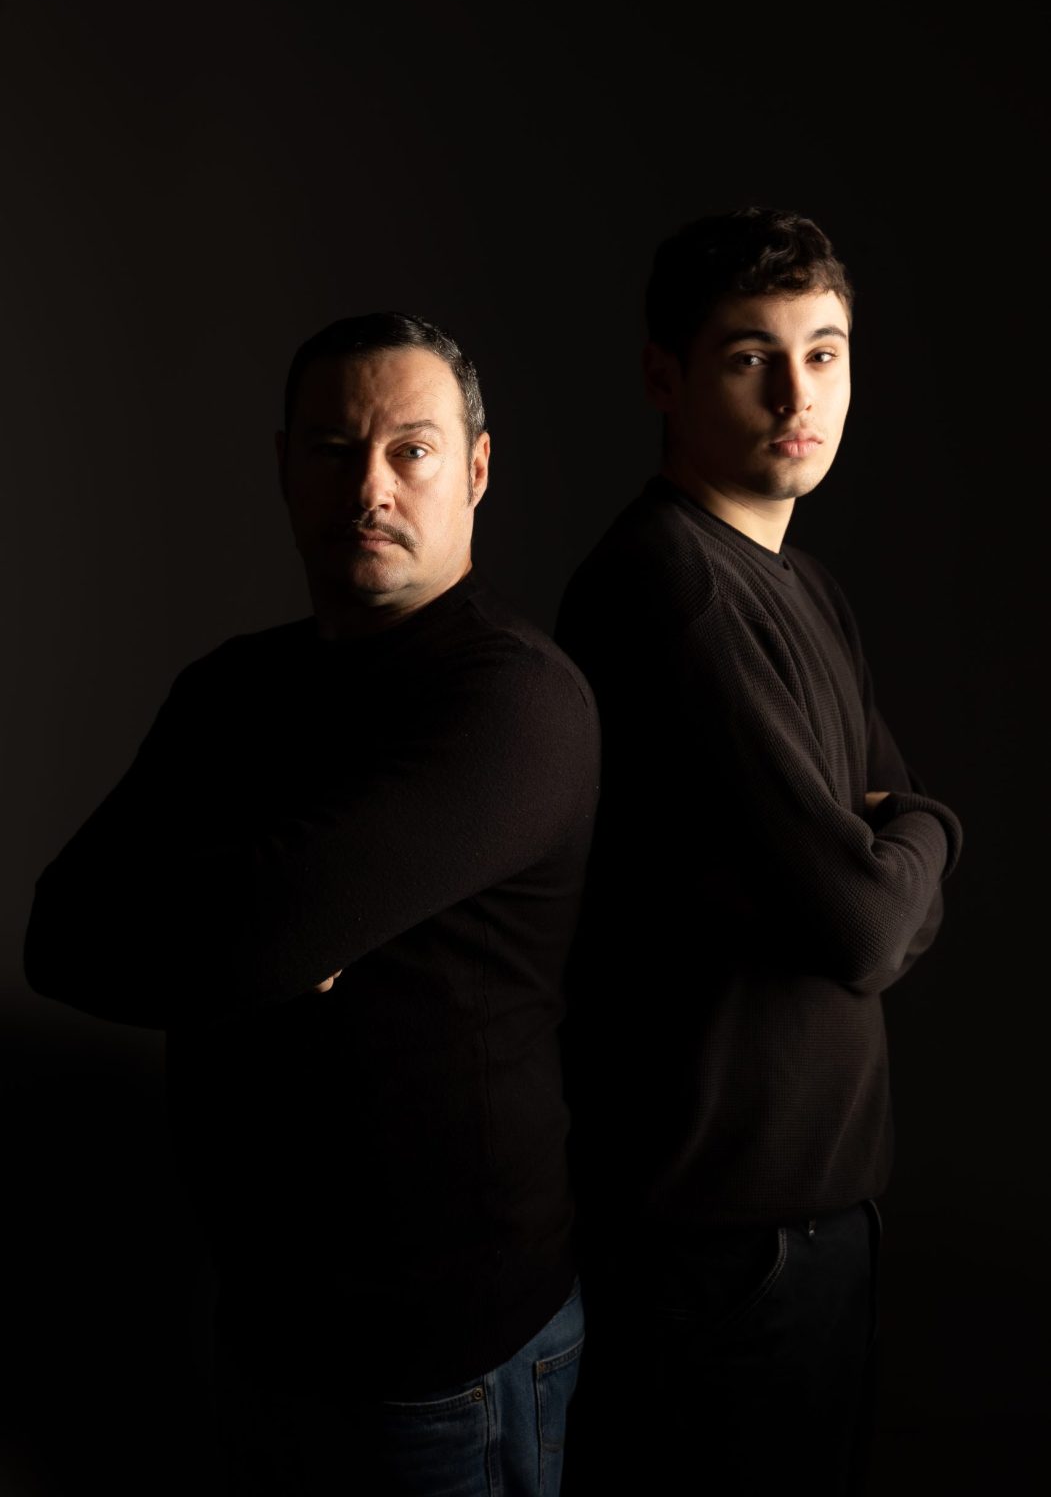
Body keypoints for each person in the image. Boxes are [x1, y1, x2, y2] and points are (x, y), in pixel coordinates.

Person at [24, 312, 600, 1496]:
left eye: (410, 450)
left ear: (475, 469)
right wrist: (271, 936)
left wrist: (245, 925)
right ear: (285, 466)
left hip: (442, 1361)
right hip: (259, 1328)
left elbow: (256, 936)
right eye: (335, 450)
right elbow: (61, 932)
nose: (369, 486)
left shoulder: (515, 702)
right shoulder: (228, 690)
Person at [555, 208, 963, 1495]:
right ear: (662, 376)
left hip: (815, 1220)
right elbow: (865, 925)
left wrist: (913, 827)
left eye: (823, 353)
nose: (798, 396)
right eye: (750, 358)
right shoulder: (670, 589)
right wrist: (923, 830)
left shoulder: (804, 584)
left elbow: (901, 854)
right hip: (719, 1245)